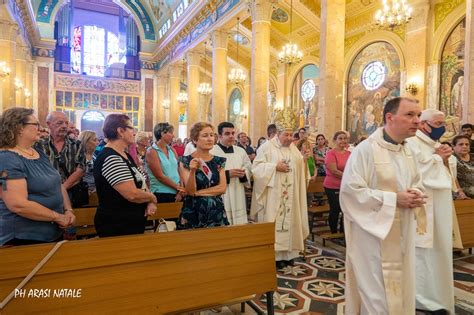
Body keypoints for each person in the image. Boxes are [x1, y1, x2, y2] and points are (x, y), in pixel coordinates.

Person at [340, 97, 426, 314]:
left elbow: (416, 181)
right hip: (372, 238)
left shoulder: (409, 151)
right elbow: (351, 192)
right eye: (410, 115)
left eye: (418, 115)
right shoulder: (366, 150)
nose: (417, 120)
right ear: (390, 117)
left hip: (402, 232)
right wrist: (394, 199)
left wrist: (416, 193)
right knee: (378, 298)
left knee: (400, 291)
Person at [0, 107, 75, 246]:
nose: (40, 129)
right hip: (24, 237)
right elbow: (18, 205)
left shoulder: (37, 151)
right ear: (19, 128)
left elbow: (57, 183)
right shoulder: (7, 158)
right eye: (35, 124)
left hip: (52, 232)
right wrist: (57, 217)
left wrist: (67, 210)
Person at [406, 109, 455, 314]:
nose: (441, 127)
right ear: (424, 124)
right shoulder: (411, 143)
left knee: (439, 251)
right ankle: (420, 297)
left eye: (443, 123)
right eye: (437, 123)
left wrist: (443, 158)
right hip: (424, 206)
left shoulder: (434, 144)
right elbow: (413, 172)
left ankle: (436, 294)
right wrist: (436, 158)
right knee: (422, 253)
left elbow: (446, 174)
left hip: (440, 207)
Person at [251, 108, 310, 269]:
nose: (290, 138)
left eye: (292, 135)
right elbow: (255, 169)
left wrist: (303, 161)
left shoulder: (293, 148)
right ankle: (274, 255)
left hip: (291, 194)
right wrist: (274, 167)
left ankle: (288, 255)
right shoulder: (266, 148)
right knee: (274, 221)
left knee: (290, 222)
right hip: (273, 195)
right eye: (287, 135)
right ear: (278, 133)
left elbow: (300, 167)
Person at [93, 114, 157, 237]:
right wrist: (152, 197)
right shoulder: (111, 158)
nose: (134, 132)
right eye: (131, 128)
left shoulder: (124, 155)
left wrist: (149, 201)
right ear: (120, 131)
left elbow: (141, 181)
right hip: (116, 224)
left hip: (131, 221)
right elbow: (132, 194)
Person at [178, 122, 228, 229]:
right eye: (205, 136)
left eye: (211, 135)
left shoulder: (219, 161)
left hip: (215, 211)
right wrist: (192, 171)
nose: (210, 139)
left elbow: (222, 188)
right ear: (195, 140)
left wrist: (198, 193)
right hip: (193, 211)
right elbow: (190, 191)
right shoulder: (185, 161)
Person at [35, 111, 86, 206]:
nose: (64, 126)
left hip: (71, 192)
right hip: (45, 193)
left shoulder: (77, 144)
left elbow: (81, 169)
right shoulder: (39, 145)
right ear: (48, 124)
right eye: (59, 123)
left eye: (66, 123)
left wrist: (62, 188)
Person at [210, 122, 252, 225]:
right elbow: (209, 174)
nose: (231, 136)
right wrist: (228, 174)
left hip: (238, 191)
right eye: (227, 133)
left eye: (233, 133)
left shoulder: (240, 151)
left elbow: (248, 167)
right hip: (222, 194)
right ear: (220, 136)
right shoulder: (212, 152)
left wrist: (244, 173)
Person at [146, 123, 184, 203]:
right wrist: (178, 188)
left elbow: (179, 169)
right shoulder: (152, 151)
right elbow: (159, 176)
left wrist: (181, 188)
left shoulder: (172, 150)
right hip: (161, 192)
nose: (173, 136)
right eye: (171, 133)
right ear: (162, 133)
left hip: (177, 192)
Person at [324, 131, 351, 234]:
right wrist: (349, 176)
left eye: (345, 138)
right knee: (335, 209)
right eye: (340, 138)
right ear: (335, 140)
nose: (343, 140)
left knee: (346, 210)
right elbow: (334, 171)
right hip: (332, 186)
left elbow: (353, 168)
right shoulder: (331, 153)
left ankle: (343, 232)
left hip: (346, 186)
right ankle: (334, 233)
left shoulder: (349, 154)